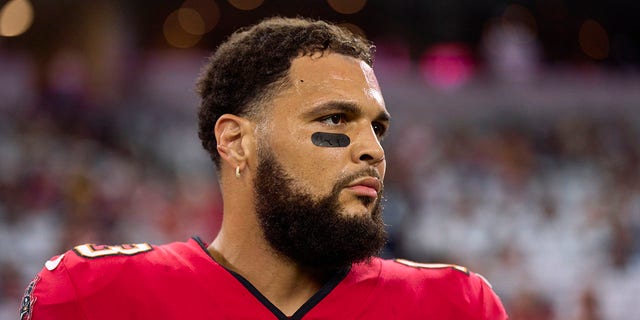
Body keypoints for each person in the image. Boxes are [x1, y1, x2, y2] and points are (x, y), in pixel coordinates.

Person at [20, 17, 508, 319]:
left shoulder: (454, 305)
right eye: (336, 118)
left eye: (377, 128)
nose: (373, 150)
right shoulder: (94, 296)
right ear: (235, 141)